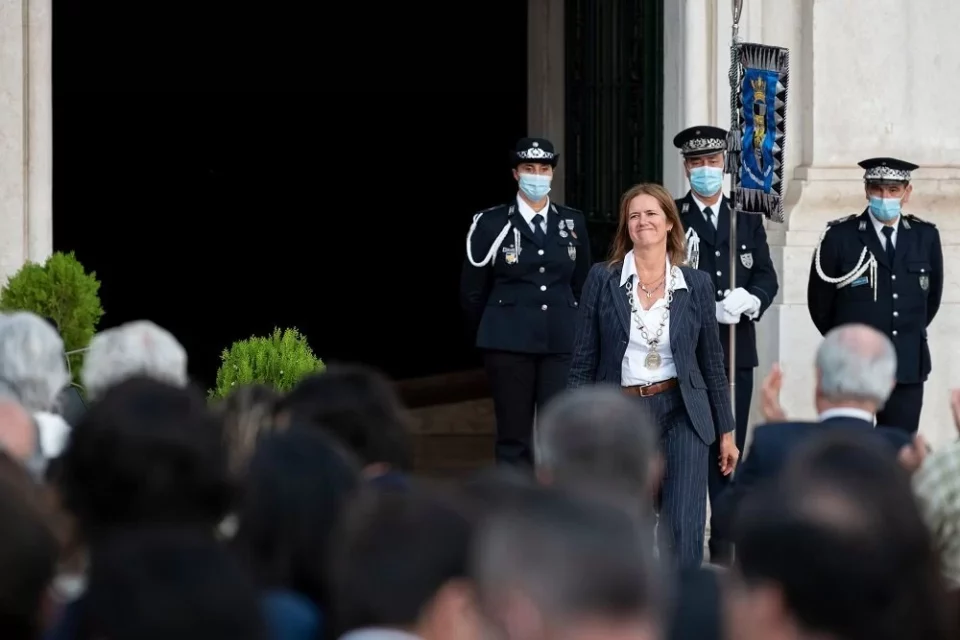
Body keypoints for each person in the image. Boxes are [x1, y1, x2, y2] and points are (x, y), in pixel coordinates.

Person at [567, 182, 737, 569]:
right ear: (626, 226)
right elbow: (582, 359)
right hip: (621, 412)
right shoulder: (601, 278)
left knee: (684, 523)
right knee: (628, 520)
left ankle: (684, 613)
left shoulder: (696, 284)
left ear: (669, 224)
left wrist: (726, 431)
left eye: (651, 214)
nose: (643, 221)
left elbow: (712, 361)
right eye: (634, 215)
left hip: (683, 410)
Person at [671, 125, 779, 562]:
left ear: (725, 165)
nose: (705, 170)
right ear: (686, 167)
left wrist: (750, 299)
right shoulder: (672, 216)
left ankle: (724, 545)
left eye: (712, 162)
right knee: (693, 444)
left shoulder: (745, 217)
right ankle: (687, 539)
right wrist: (704, 304)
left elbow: (765, 275)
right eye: (696, 163)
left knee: (729, 444)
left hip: (736, 346)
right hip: (690, 351)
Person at [711, 324, 915, 551]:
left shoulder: (775, 442)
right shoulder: (902, 451)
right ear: (889, 386)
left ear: (818, 378)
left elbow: (727, 517)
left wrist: (778, 436)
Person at [460, 137, 591, 467]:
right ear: (516, 174)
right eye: (529, 168)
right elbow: (473, 292)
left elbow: (582, 285)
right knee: (513, 436)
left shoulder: (572, 222)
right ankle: (515, 511)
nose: (537, 175)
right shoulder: (492, 223)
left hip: (560, 342)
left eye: (544, 168)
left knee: (557, 435)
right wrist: (492, 335)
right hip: (507, 343)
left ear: (552, 173)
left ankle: (554, 513)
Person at [808, 157, 943, 433]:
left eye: (893, 190)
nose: (885, 197)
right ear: (866, 190)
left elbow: (931, 300)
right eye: (878, 189)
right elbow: (820, 304)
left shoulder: (924, 236)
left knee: (897, 452)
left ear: (907, 193)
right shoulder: (839, 236)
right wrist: (849, 344)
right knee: (850, 452)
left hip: (905, 364)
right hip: (852, 366)